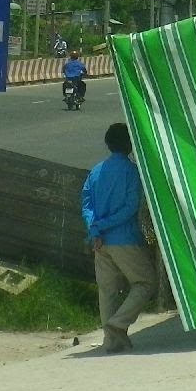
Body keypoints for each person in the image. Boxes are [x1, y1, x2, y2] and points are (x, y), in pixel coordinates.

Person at [80, 122, 156, 354]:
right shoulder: (131, 171)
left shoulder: (95, 171)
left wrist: (95, 230)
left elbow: (86, 205)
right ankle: (119, 323)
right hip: (124, 238)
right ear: (130, 145)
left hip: (99, 241)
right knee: (145, 282)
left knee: (108, 290)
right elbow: (130, 207)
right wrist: (104, 225)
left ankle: (111, 340)